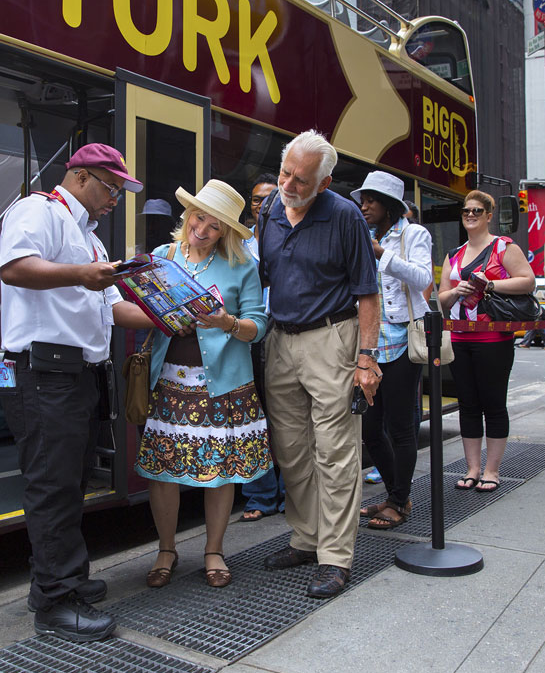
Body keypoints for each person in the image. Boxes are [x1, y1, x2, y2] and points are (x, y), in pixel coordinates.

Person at [0, 143, 155, 642]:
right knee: (53, 485)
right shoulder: (37, 210)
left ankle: (61, 582)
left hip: (81, 377)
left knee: (73, 480)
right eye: (111, 189)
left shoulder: (93, 242)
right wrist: (81, 275)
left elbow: (113, 309)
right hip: (43, 374)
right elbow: (15, 268)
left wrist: (173, 317)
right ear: (81, 176)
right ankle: (56, 603)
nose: (115, 200)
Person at [258, 130, 380, 599]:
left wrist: (365, 359)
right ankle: (306, 539)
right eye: (286, 172)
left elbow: (368, 293)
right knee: (290, 450)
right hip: (280, 340)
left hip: (332, 338)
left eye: (301, 180)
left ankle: (334, 557)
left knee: (335, 452)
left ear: (324, 183)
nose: (288, 184)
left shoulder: (345, 216)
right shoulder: (271, 209)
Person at [135, 179, 270, 589]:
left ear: (227, 231)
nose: (203, 229)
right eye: (199, 217)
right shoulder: (163, 255)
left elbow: (258, 327)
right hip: (170, 381)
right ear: (187, 215)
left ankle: (214, 551)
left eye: (215, 225)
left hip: (224, 385)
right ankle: (166, 549)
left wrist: (225, 322)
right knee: (163, 472)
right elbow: (141, 304)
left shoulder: (241, 265)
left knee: (220, 471)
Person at [438, 190, 535, 494]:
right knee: (467, 404)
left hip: (494, 336)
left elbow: (528, 280)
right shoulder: (454, 254)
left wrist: (489, 283)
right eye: (466, 210)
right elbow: (441, 297)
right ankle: (472, 469)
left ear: (489, 216)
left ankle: (491, 471)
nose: (470, 215)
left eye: (477, 211)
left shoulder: (503, 247)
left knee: (493, 404)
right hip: (460, 336)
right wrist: (456, 292)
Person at [352, 172, 433, 530]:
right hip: (368, 344)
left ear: (390, 206)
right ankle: (394, 493)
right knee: (370, 428)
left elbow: (422, 278)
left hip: (402, 341)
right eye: (363, 200)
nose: (364, 206)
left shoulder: (414, 234)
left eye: (371, 200)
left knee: (401, 427)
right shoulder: (362, 235)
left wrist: (383, 254)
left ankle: (399, 501)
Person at [239, 173, 286, 521]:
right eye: (256, 200)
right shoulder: (238, 242)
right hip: (247, 335)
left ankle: (289, 493)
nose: (262, 205)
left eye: (269, 198)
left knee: (285, 416)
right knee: (252, 417)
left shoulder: (290, 236)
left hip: (283, 332)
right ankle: (260, 495)